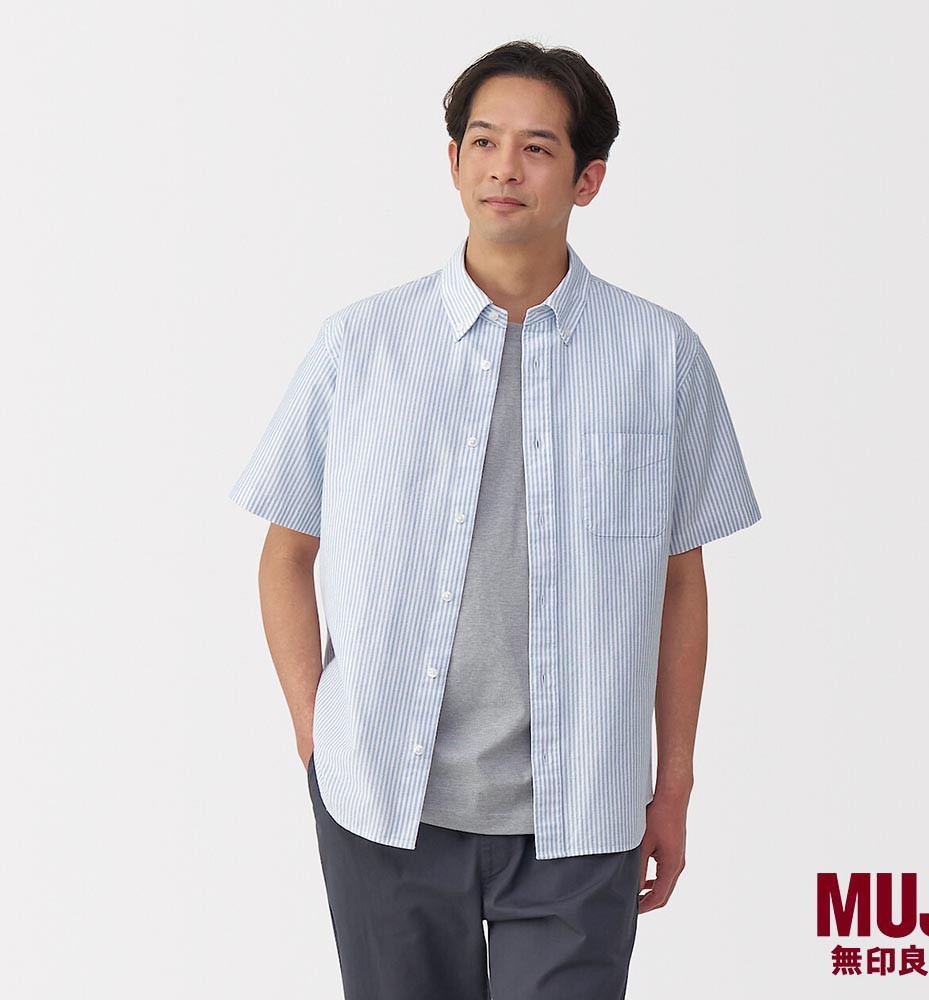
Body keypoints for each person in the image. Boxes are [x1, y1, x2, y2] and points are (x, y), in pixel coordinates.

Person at [228, 39, 761, 1000]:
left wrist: (674, 781)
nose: (504, 168)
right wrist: (319, 740)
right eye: (483, 141)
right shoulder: (362, 345)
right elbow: (285, 552)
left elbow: (680, 579)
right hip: (383, 806)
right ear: (453, 161)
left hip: (583, 810)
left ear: (588, 179)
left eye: (537, 148)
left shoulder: (660, 355)